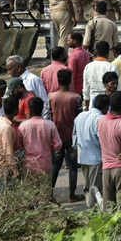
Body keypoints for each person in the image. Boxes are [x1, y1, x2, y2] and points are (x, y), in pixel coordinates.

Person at [15, 97, 62, 201]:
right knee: (45, 197)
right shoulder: (49, 125)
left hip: (29, 165)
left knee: (30, 197)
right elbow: (58, 144)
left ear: (30, 110)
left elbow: (18, 146)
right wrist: (47, 146)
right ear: (41, 109)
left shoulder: (23, 126)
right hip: (45, 164)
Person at [49, 68, 82, 202]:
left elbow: (49, 115)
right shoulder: (76, 97)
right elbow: (79, 117)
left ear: (58, 81)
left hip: (56, 136)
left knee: (56, 166)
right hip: (71, 136)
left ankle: (49, 195)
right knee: (73, 166)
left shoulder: (51, 96)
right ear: (70, 81)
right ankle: (72, 195)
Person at [73, 94, 108, 208]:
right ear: (105, 107)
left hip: (83, 156)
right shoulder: (100, 119)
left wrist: (76, 149)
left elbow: (75, 136)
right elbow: (102, 139)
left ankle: (90, 206)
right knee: (95, 187)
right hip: (95, 157)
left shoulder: (80, 116)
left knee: (88, 185)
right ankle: (94, 210)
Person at [0, 95, 20, 191]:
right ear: (16, 110)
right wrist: (15, 171)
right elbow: (8, 152)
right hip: (4, 169)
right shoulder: (7, 128)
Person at [82, 41, 118, 110]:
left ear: (96, 52)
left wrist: (87, 106)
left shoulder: (88, 67)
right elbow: (118, 88)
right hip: (108, 105)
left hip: (92, 104)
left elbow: (86, 89)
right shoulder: (112, 67)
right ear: (108, 52)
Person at [67, 32, 91, 97]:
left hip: (76, 88)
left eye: (69, 40)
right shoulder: (86, 53)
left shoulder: (74, 55)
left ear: (75, 41)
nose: (67, 42)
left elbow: (71, 74)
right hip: (85, 86)